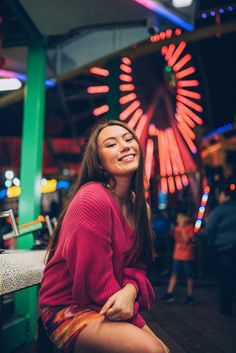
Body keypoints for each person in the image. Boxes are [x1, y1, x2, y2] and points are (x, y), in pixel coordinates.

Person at [39, 120, 169, 353]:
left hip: (107, 301)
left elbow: (136, 265)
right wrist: (143, 326)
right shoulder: (92, 199)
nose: (125, 146)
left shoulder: (140, 208)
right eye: (111, 144)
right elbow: (95, 284)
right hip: (67, 307)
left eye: (129, 139)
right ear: (99, 163)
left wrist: (131, 290)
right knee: (153, 350)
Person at [206, 184, 236, 316]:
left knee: (226, 278)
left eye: (220, 194)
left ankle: (226, 308)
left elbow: (210, 228)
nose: (218, 197)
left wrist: (212, 241)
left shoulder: (219, 210)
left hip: (224, 248)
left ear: (226, 195)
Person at [162, 212, 195, 305]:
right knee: (174, 274)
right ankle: (169, 293)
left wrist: (182, 228)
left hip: (187, 255)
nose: (178, 219)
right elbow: (176, 239)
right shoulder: (177, 228)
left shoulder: (189, 227)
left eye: (180, 217)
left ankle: (190, 295)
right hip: (177, 254)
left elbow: (187, 240)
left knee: (189, 276)